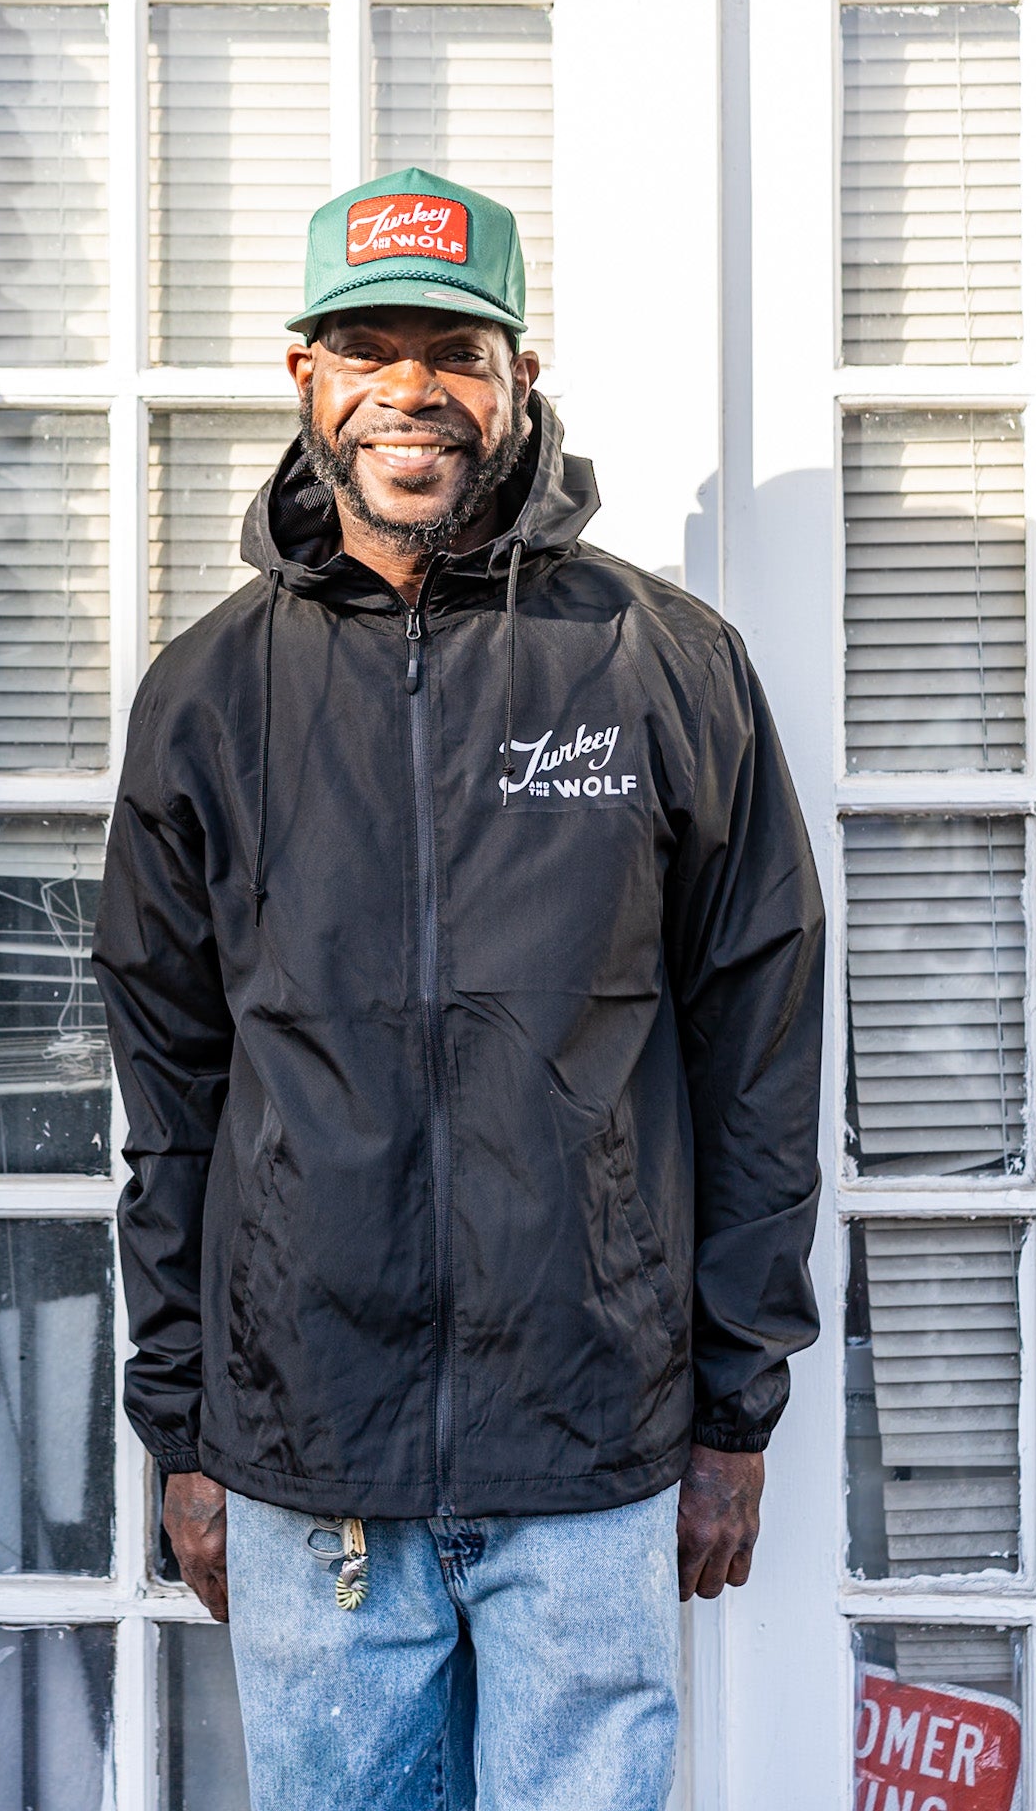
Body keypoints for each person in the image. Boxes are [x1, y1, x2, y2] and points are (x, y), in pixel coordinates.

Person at [92, 168, 824, 1811]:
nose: (408, 388)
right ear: (305, 377)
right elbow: (173, 1089)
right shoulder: (210, 691)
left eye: (453, 348)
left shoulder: (658, 658)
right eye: (366, 345)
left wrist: (734, 1402)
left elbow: (757, 1045)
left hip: (589, 1438)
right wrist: (185, 1426)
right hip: (308, 1452)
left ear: (518, 377)